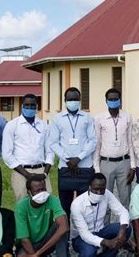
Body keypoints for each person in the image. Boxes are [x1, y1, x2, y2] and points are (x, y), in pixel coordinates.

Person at [49, 87, 97, 218]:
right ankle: (67, 234)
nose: (73, 101)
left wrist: (79, 158)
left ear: (80, 100)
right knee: (65, 206)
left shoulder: (87, 118)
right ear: (65, 101)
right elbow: (53, 142)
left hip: (84, 167)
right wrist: (67, 159)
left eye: (75, 99)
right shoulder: (57, 119)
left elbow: (93, 140)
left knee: (84, 206)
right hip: (66, 167)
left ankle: (82, 235)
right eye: (70, 99)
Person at [2, 93, 54, 202]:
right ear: (22, 106)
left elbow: (50, 151)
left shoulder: (44, 125)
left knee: (46, 202)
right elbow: (7, 155)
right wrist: (27, 174)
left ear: (37, 107)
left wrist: (45, 173)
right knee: (23, 203)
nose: (29, 108)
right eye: (26, 105)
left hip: (41, 171)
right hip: (21, 172)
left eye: (32, 106)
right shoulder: (12, 125)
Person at [70, 173, 132, 257]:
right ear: (89, 187)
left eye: (102, 189)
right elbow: (84, 234)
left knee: (127, 228)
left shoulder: (107, 194)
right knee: (89, 252)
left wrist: (122, 231)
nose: (99, 193)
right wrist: (107, 242)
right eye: (96, 189)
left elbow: (123, 211)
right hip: (80, 238)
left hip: (100, 231)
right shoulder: (77, 204)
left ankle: (108, 255)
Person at [94, 88, 135, 210]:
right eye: (110, 99)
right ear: (106, 101)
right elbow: (97, 144)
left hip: (124, 163)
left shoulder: (127, 117)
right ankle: (104, 227)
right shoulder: (99, 118)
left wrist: (132, 166)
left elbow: (130, 141)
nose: (113, 101)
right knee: (104, 199)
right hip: (106, 164)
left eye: (115, 99)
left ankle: (127, 227)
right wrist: (97, 169)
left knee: (125, 199)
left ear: (120, 100)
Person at [15, 174, 69, 257]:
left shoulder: (52, 199)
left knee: (61, 225)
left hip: (46, 240)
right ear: (29, 192)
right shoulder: (21, 206)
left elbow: (64, 227)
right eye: (37, 190)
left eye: (43, 189)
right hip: (29, 244)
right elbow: (24, 239)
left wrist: (38, 253)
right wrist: (34, 255)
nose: (41, 193)